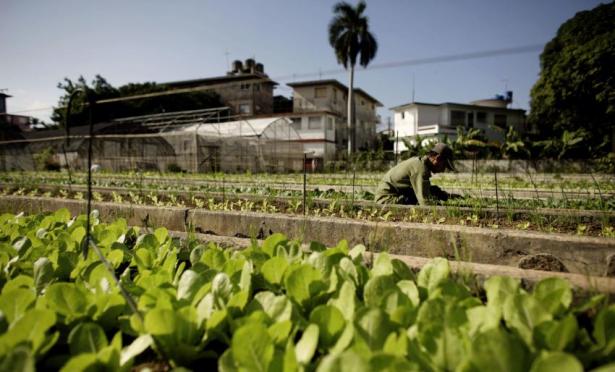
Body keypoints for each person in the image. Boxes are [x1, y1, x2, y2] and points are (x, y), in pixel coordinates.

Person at [375, 142, 456, 205]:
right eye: (444, 165)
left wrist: (447, 196)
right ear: (437, 159)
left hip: (390, 196)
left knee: (432, 190)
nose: (444, 170)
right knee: (416, 199)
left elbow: (427, 189)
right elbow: (425, 202)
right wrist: (442, 209)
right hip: (386, 200)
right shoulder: (420, 169)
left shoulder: (419, 162)